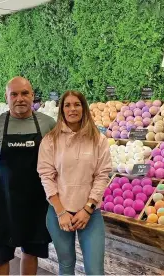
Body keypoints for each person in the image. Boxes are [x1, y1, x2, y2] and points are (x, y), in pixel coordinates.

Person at [0, 76, 56, 275]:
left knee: (30, 253)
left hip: (35, 203)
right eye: (14, 94)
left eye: (25, 93)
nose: (20, 98)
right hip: (4, 202)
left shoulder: (48, 124)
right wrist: (1, 176)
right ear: (7, 97)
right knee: (0, 256)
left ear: (32, 96)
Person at [37, 90, 111, 275]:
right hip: (58, 213)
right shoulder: (50, 140)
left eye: (77, 104)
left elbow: (102, 175)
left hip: (90, 214)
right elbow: (46, 176)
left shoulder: (98, 140)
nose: (72, 109)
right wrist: (61, 212)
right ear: (61, 109)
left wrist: (87, 209)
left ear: (84, 108)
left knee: (95, 270)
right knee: (66, 266)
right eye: (67, 105)